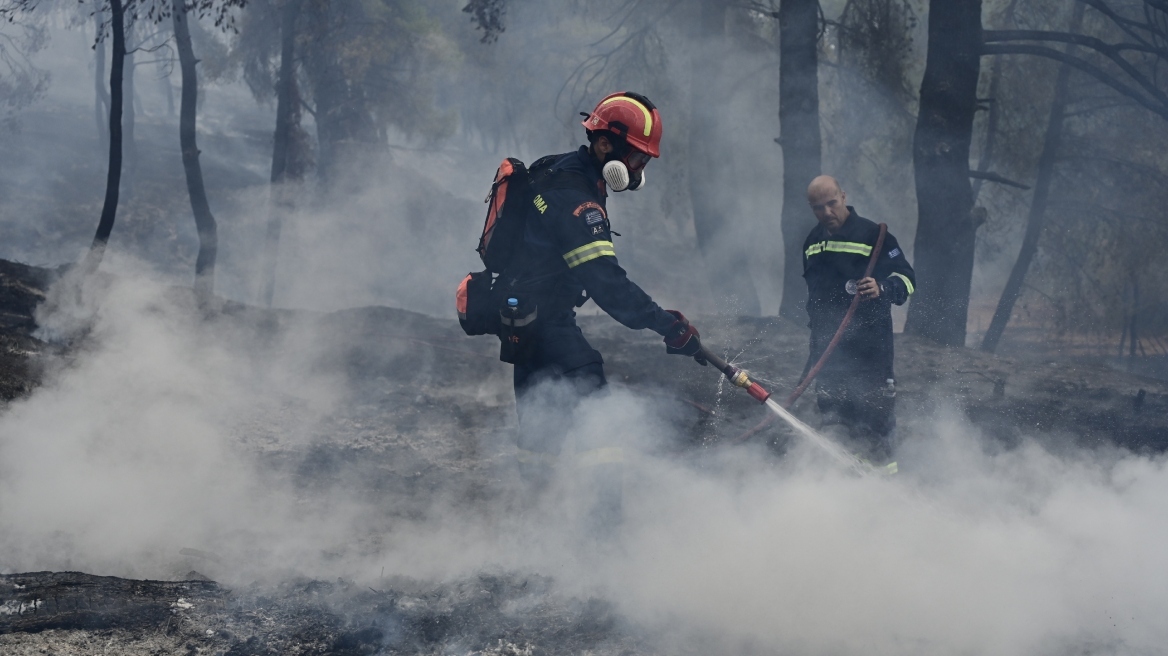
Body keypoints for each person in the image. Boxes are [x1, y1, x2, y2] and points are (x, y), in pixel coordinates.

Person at [500, 91, 704, 523]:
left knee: (540, 420)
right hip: (547, 320)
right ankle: (606, 532)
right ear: (605, 144)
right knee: (596, 405)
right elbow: (607, 284)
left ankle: (532, 523)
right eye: (637, 157)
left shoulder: (557, 169)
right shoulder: (579, 201)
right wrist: (667, 325)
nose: (639, 170)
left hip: (521, 319)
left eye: (645, 162)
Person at [801, 175, 916, 466]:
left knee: (875, 421)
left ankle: (885, 486)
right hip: (828, 353)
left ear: (843, 196)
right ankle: (841, 485)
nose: (826, 213)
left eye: (831, 203)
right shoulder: (813, 242)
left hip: (870, 352)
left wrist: (883, 288)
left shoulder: (874, 236)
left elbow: (907, 278)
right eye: (818, 208)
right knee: (834, 420)